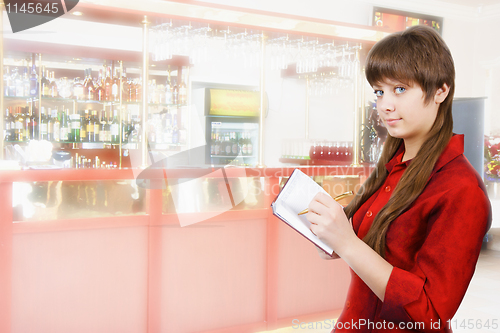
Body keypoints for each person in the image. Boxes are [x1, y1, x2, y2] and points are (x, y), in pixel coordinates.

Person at [307, 25, 491, 332]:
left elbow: (430, 315)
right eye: (379, 91)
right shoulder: (392, 166)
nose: (385, 105)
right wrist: (329, 237)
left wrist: (347, 243)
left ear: (441, 91)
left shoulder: (460, 189)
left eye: (400, 89)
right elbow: (363, 249)